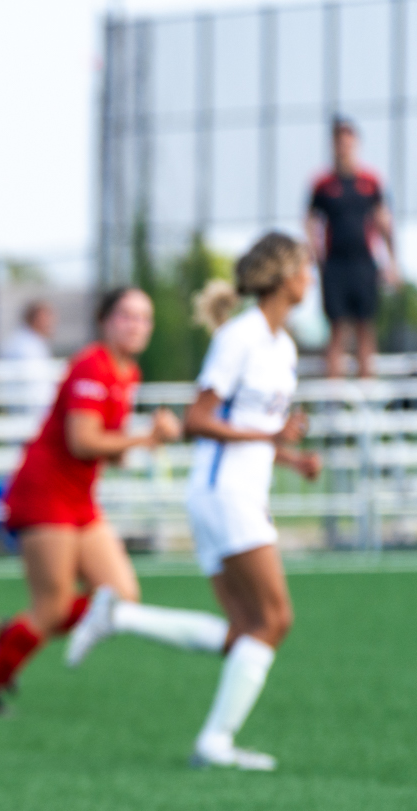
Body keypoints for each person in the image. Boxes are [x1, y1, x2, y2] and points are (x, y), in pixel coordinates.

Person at [0, 287, 203, 715]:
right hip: (45, 492)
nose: (136, 326)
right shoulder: (92, 364)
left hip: (77, 497)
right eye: (127, 316)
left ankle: (16, 633)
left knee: (121, 597)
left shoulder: (128, 372)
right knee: (52, 608)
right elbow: (82, 440)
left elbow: (109, 448)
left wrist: (142, 441)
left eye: (144, 318)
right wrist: (149, 438)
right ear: (104, 321)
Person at [146, 234, 320, 769]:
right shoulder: (240, 337)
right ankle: (214, 742)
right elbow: (198, 421)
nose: (309, 278)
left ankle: (122, 619)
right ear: (284, 277)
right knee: (275, 618)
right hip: (225, 493)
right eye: (304, 269)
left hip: (237, 490)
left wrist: (289, 455)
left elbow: (251, 429)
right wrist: (272, 440)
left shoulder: (282, 345)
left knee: (248, 628)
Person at [306, 117, 397, 379]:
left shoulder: (370, 181)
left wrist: (392, 262)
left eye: (348, 142)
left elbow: (383, 222)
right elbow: (311, 221)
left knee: (365, 331)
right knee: (336, 332)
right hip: (335, 265)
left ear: (355, 144)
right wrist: (316, 256)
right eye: (338, 143)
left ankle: (366, 402)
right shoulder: (322, 184)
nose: (343, 148)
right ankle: (334, 403)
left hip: (363, 264)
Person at [0, 299, 57, 415]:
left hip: (30, 408)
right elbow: (36, 385)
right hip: (29, 410)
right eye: (46, 318)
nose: (51, 322)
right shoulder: (25, 346)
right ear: (35, 319)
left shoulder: (32, 342)